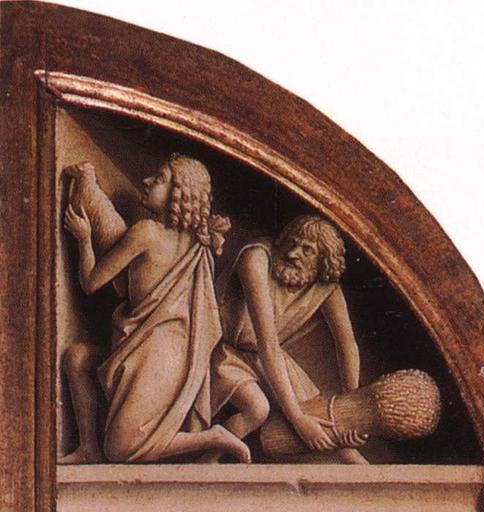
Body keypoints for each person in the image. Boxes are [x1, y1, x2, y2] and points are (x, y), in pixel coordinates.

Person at [62, 154, 250, 464]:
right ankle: (88, 447)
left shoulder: (146, 232)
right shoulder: (197, 243)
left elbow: (92, 282)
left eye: (160, 179)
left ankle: (213, 437)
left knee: (120, 450)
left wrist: (84, 240)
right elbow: (130, 290)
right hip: (158, 350)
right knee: (77, 358)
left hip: (156, 353)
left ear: (179, 193)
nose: (147, 182)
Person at [202, 215, 368, 463]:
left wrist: (352, 408)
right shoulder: (256, 258)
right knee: (257, 409)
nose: (292, 254)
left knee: (323, 418)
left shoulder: (327, 286)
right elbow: (267, 343)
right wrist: (298, 419)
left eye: (307, 250)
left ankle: (361, 468)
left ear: (323, 260)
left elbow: (347, 344)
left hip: (267, 358)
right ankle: (204, 461)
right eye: (291, 243)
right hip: (225, 352)